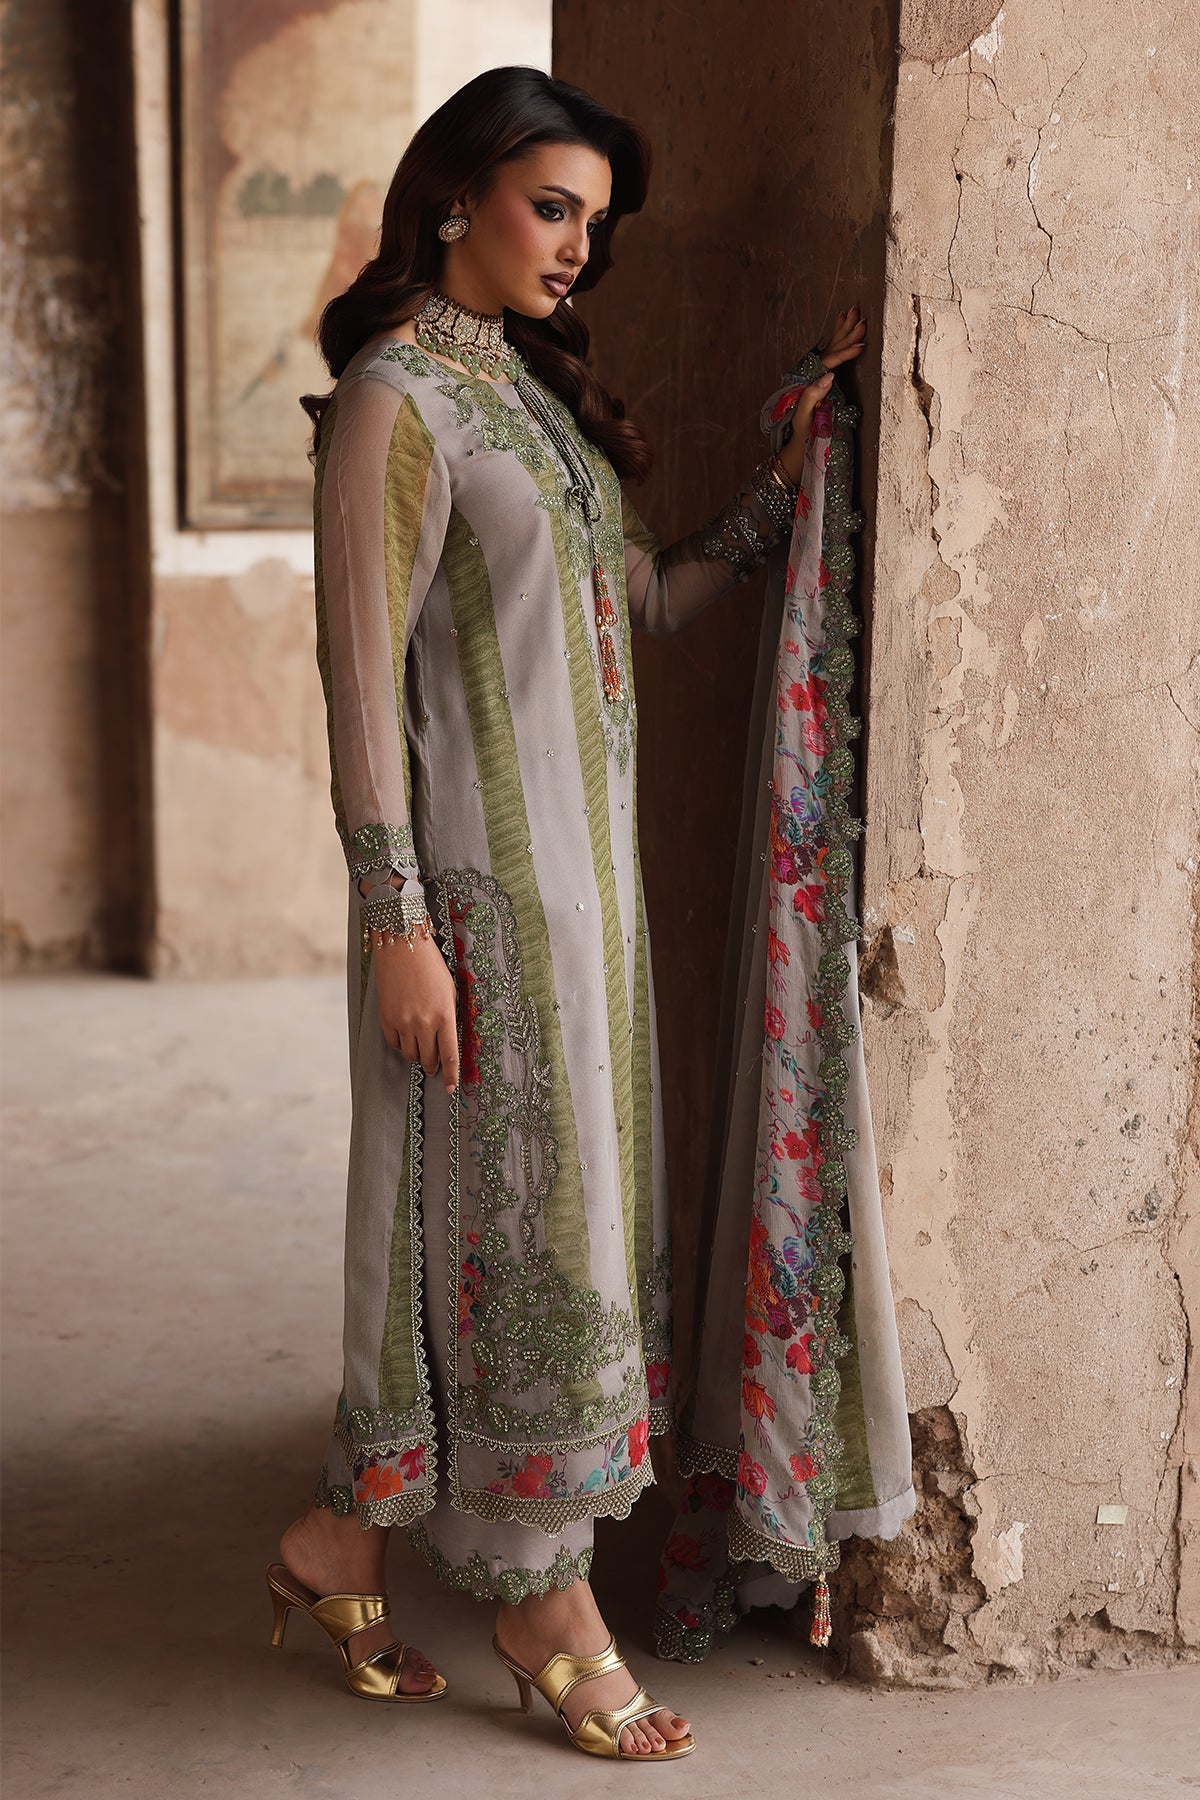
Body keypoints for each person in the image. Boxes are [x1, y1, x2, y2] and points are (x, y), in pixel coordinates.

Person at [265, 64, 865, 1761]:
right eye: (552, 207)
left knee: (537, 1234)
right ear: (454, 194)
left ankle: (337, 1545)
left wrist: (784, 484)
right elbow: (359, 687)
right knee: (519, 1244)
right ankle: (543, 1597)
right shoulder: (397, 402)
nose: (577, 247)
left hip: (589, 909)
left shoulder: (525, 396)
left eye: (593, 222)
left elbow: (646, 601)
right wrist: (396, 923)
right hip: (474, 910)